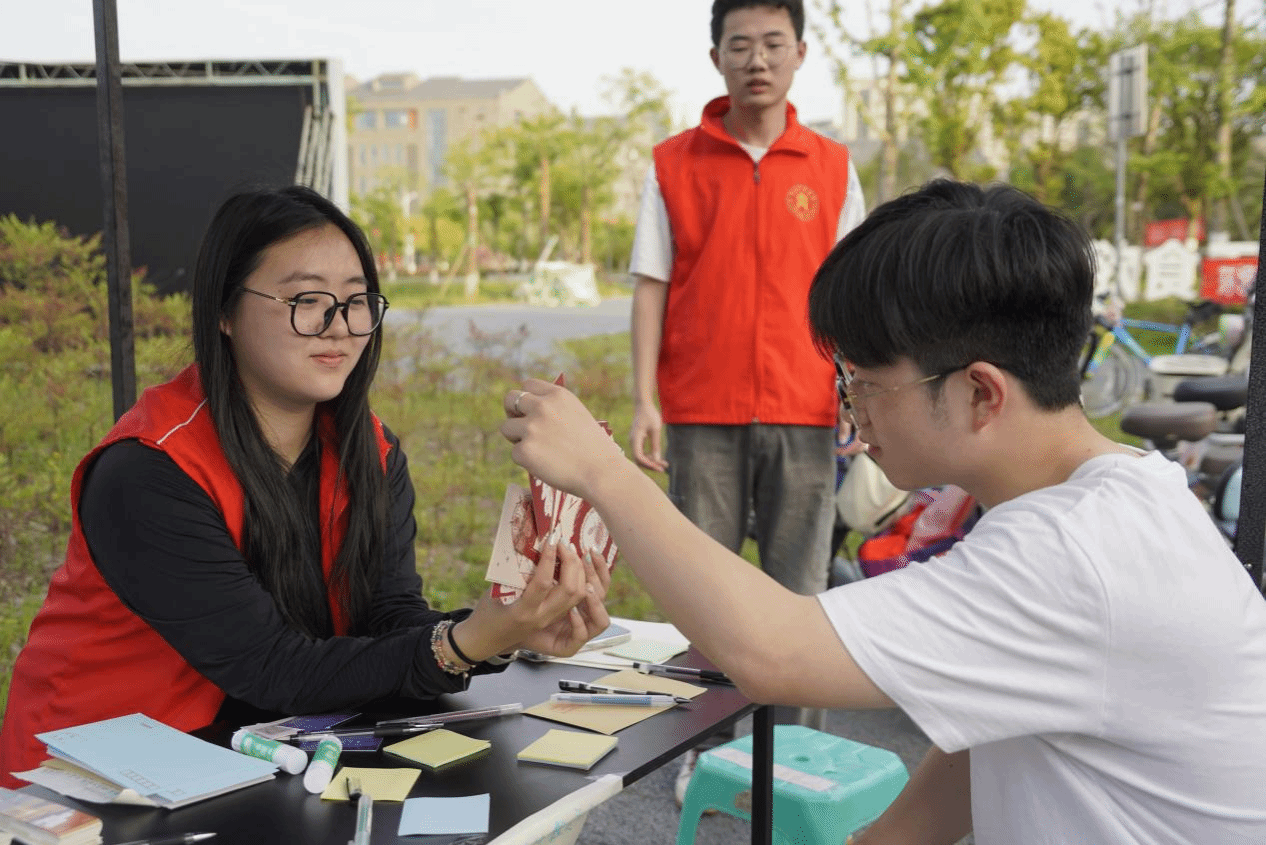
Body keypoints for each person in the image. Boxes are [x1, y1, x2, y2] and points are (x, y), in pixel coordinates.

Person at [502, 179, 1266, 844]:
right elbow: (1000, 718)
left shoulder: (1071, 552)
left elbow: (772, 651)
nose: (851, 410)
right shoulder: (1124, 488)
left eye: (865, 383)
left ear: (979, 392)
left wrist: (602, 471)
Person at [0, 185, 609, 785]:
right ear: (224, 312)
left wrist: (504, 630)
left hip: (253, 751)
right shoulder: (148, 471)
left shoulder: (370, 450)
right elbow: (268, 666)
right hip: (91, 779)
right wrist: (467, 641)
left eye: (357, 300)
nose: (339, 326)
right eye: (306, 299)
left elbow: (387, 616)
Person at [628, 0, 865, 791]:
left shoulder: (832, 166)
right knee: (705, 596)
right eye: (740, 45)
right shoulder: (673, 163)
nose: (757, 59)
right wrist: (645, 399)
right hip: (702, 410)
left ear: (799, 52)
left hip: (806, 409)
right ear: (716, 58)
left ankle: (794, 760)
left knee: (803, 598)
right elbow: (651, 284)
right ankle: (707, 750)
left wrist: (855, 391)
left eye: (772, 43)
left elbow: (854, 294)